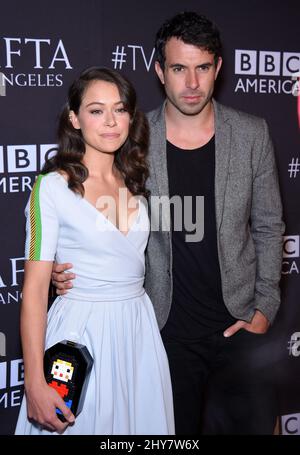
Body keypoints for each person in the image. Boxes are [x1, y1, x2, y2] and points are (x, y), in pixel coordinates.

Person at [52, 12, 285, 434]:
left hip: (240, 330)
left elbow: (269, 226)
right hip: (161, 335)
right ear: (160, 71)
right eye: (179, 68)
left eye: (202, 68)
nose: (191, 83)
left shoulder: (252, 134)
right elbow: (94, 210)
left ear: (218, 68)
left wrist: (264, 308)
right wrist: (62, 263)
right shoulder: (130, 138)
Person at [15, 67, 174, 435]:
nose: (111, 122)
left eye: (119, 110)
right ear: (74, 118)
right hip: (80, 333)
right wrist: (35, 381)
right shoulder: (51, 188)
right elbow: (36, 292)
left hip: (138, 332)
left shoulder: (136, 179)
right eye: (96, 110)